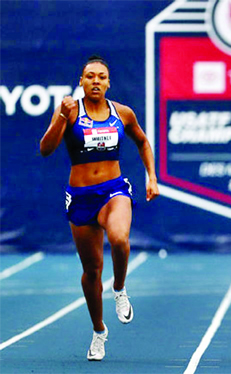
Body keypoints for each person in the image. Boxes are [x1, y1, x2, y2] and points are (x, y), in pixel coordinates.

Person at [40, 55, 159, 360]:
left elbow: (143, 142)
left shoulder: (122, 113)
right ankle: (98, 331)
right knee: (92, 271)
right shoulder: (69, 111)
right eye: (89, 76)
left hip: (113, 189)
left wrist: (151, 177)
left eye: (101, 76)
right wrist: (60, 119)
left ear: (108, 82)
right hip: (81, 196)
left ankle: (119, 288)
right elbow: (46, 149)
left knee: (119, 238)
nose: (95, 81)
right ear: (81, 81)